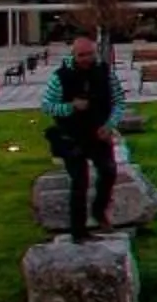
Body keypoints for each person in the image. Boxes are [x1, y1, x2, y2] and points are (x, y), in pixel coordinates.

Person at [42, 33, 127, 240]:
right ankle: (78, 231)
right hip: (71, 136)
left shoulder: (105, 74)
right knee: (80, 182)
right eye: (81, 55)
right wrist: (70, 107)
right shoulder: (60, 77)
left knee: (108, 171)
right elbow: (47, 106)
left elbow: (118, 102)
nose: (86, 59)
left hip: (98, 133)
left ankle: (99, 211)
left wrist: (109, 125)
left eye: (90, 54)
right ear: (74, 55)